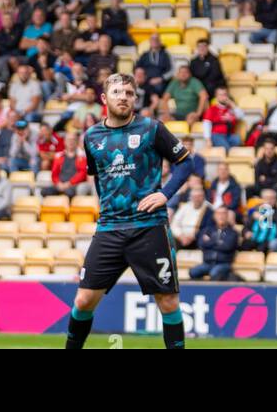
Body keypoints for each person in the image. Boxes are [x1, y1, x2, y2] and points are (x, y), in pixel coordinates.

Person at [66, 72, 193, 349]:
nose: (123, 97)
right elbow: (98, 178)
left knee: (168, 302)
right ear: (104, 98)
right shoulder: (92, 137)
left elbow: (185, 163)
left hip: (149, 227)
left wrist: (164, 194)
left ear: (135, 98)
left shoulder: (151, 128)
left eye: (128, 93)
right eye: (117, 92)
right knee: (83, 301)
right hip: (110, 228)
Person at [190, 206, 238, 281]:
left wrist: (210, 241)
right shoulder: (207, 230)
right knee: (193, 272)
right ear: (214, 216)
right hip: (207, 263)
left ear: (227, 216)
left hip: (224, 263)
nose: (221, 216)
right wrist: (218, 241)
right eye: (218, 213)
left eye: (223, 213)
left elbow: (227, 246)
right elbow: (201, 244)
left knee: (215, 272)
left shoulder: (232, 232)